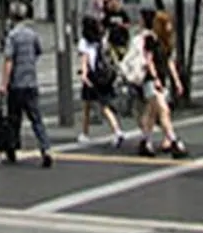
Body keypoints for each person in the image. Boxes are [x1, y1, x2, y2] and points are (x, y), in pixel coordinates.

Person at [0, 2, 52, 167]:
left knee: (14, 118)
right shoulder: (32, 34)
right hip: (31, 82)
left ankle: (12, 150)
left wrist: (3, 83)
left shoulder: (12, 36)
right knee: (36, 118)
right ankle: (45, 148)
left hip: (16, 84)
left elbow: (8, 61)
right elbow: (38, 51)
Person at [135, 10, 188, 158]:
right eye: (167, 23)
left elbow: (169, 62)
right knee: (163, 110)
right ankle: (174, 141)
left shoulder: (166, 41)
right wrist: (155, 78)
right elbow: (149, 61)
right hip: (151, 80)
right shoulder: (150, 39)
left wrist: (176, 81)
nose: (170, 26)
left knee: (151, 113)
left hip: (161, 80)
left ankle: (145, 141)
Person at [76, 16, 124, 147]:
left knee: (89, 105)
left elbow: (85, 60)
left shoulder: (84, 42)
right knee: (103, 104)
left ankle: (87, 133)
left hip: (92, 77)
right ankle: (115, 130)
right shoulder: (101, 39)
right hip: (104, 76)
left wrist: (84, 75)